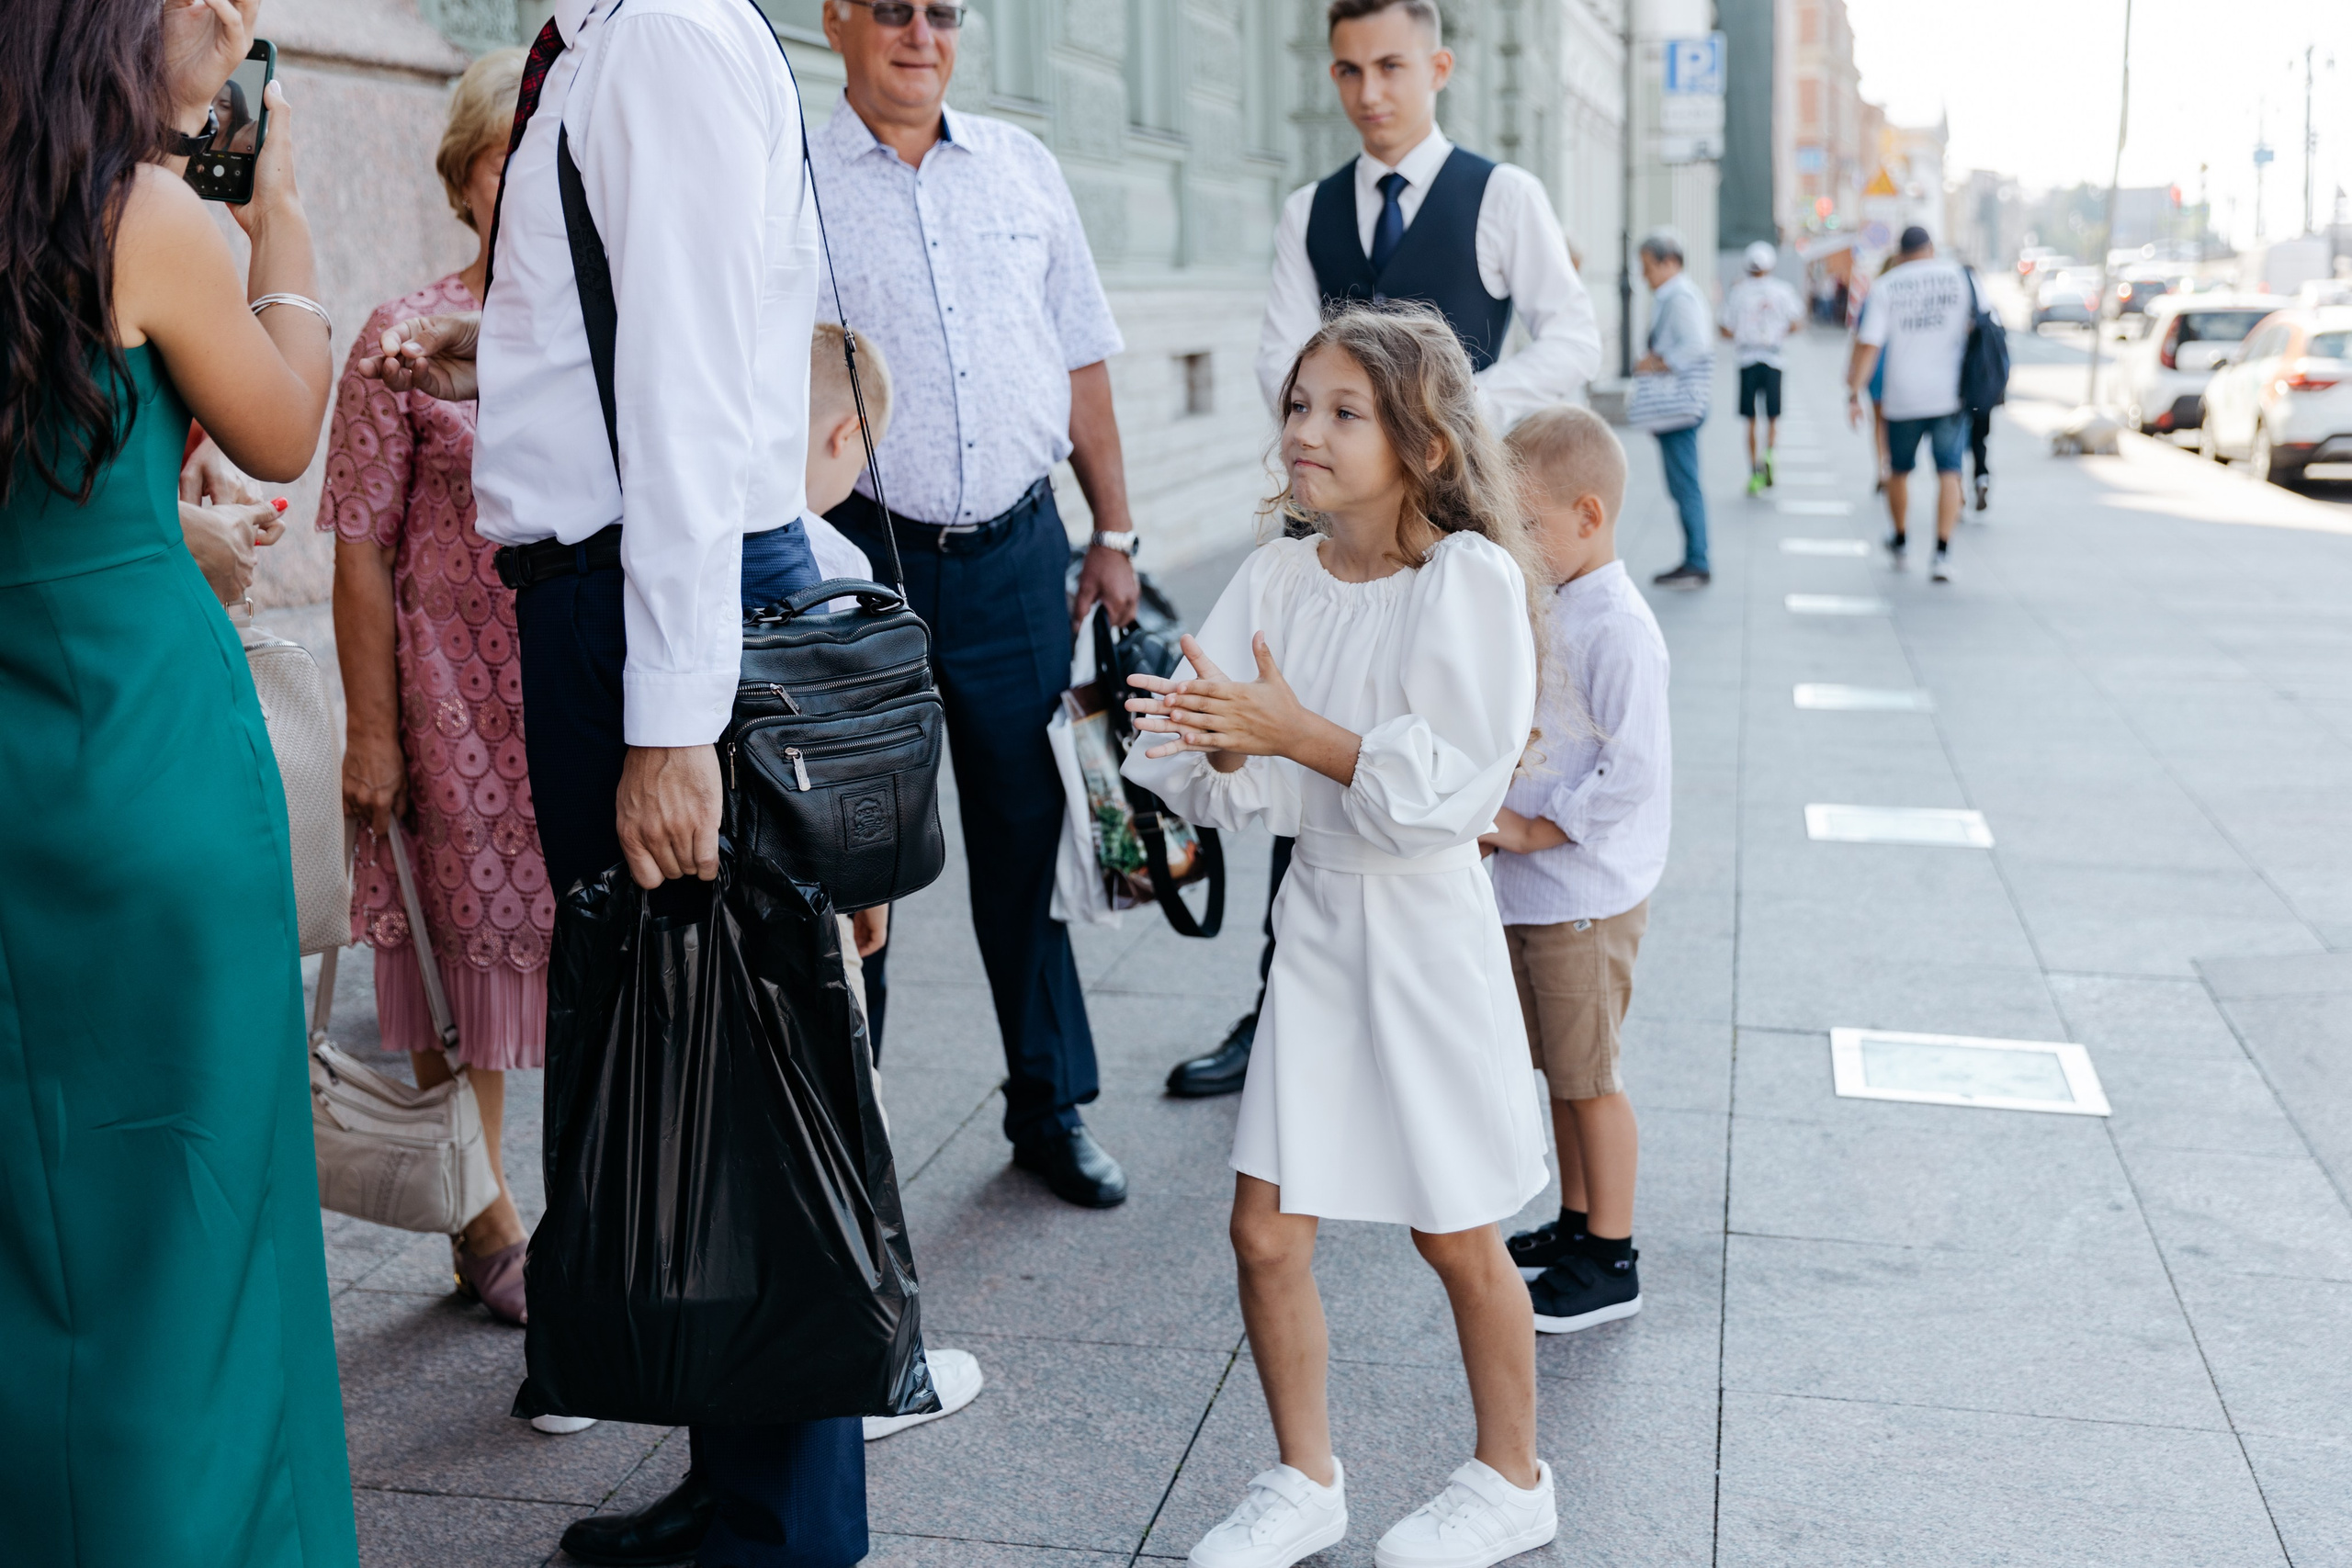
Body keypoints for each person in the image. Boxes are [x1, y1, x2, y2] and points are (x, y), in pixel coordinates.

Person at [358, 0, 862, 1562]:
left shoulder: (664, 41)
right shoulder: (611, 41)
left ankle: (783, 1518)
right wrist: (507, 362)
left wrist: (671, 722)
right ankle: (743, 1480)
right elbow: (634, 336)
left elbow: (702, 400)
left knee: (730, 1076)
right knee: (689, 1062)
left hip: (645, 604)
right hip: (608, 595)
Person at [0, 0, 356, 1562]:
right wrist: (279, 226)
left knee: (37, 1224)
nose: (239, 23)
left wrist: (155, 514)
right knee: (196, 1219)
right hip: (149, 762)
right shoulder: (145, 213)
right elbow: (279, 425)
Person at [1125, 307, 1557, 1568]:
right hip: (1317, 910)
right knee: (1264, 1224)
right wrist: (1198, 741)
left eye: (1343, 410)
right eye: (1298, 405)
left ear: (1421, 442)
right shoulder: (1276, 574)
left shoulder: (1465, 580)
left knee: (1458, 1225)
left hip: (1425, 926)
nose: (1304, 430)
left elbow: (1449, 789)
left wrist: (1290, 730)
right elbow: (1213, 766)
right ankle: (1305, 1475)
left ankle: (1513, 1473)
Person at [1176, 0, 1603, 1104]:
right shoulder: (1308, 210)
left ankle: (1442, 1011)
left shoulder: (1502, 195)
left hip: (1448, 515)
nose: (1369, 91)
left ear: (1439, 67)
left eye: (1391, 67)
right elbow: (1285, 356)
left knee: (1447, 749)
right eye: (1348, 70)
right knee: (1297, 733)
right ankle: (1288, 1004)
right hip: (1340, 517)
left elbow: (1576, 337)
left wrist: (1446, 415)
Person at [809, 0, 1140, 1210]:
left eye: (941, 11)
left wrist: (1111, 530)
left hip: (1014, 554)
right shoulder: (785, 177)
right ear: (838, 19)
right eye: (890, 9)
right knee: (856, 855)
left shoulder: (1023, 166)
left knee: (1029, 831)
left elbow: (1083, 354)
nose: (918, 34)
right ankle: (853, 1129)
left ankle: (1047, 1104)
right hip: (856, 556)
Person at [320, 46, 550, 1337]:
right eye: (511, 161)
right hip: (450, 698)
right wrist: (372, 732)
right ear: (468, 180)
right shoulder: (398, 336)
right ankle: (482, 1215)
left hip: (570, 693)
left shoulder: (594, 338)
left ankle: (586, 1207)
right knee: (458, 962)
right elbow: (355, 536)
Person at [795, 320, 989, 1445]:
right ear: (843, 442)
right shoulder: (835, 566)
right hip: (808, 908)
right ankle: (876, 1358)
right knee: (841, 1126)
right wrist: (870, 888)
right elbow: (857, 770)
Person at [1479, 407, 1670, 1337]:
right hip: (1540, 896)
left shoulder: (1619, 629)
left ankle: (1613, 1255)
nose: (1514, 547)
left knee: (1592, 1077)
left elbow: (1632, 771)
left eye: (1528, 529)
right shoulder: (1558, 600)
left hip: (1583, 900)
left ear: (1588, 517)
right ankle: (1576, 1224)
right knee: (1561, 1069)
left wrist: (1530, 830)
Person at [1847, 225, 1989, 584]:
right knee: (1950, 472)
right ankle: (1942, 554)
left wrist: (1854, 392)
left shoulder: (1887, 285)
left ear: (1900, 252)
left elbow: (1869, 344)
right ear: (1931, 248)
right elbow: (1987, 327)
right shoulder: (1961, 278)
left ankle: (1900, 539)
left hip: (1902, 397)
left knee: (1898, 470)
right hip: (1950, 396)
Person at [1637, 231, 1713, 590]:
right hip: (1679, 405)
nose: (1644, 275)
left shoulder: (1679, 297)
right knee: (1682, 483)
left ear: (1669, 262)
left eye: (1648, 267)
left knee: (1685, 484)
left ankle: (1697, 559)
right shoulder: (1677, 295)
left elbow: (1696, 345)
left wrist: (1658, 362)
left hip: (1679, 404)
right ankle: (1694, 558)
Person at [1719, 240, 1804, 497]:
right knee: (1773, 416)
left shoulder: (1739, 291)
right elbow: (1798, 322)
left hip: (1747, 357)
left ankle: (1754, 469)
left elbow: (1724, 328)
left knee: (1750, 420)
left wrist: (1744, 333)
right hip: (1774, 358)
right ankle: (1770, 452)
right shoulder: (1783, 290)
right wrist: (1778, 332)